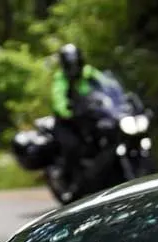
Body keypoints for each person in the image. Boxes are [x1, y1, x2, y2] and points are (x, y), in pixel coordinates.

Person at [50, 43, 103, 201]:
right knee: (72, 147)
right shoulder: (60, 78)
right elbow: (58, 98)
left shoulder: (88, 73)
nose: (74, 67)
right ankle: (69, 180)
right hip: (67, 123)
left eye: (75, 63)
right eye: (70, 64)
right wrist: (66, 111)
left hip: (87, 119)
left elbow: (106, 85)